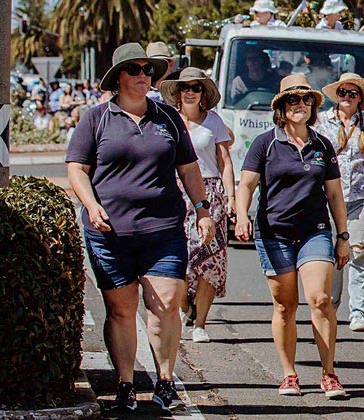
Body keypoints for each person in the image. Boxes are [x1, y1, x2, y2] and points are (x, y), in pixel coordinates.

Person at [65, 43, 213, 411]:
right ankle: (126, 385)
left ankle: (165, 381)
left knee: (164, 303)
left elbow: (189, 168)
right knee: (121, 310)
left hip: (163, 229)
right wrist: (91, 204)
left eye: (148, 70)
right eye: (135, 69)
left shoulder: (168, 118)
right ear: (118, 77)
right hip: (110, 233)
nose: (143, 76)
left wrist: (202, 208)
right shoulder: (96, 119)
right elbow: (76, 169)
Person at [233, 74, 352, 399]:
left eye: (306, 99)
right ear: (281, 108)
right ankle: (289, 375)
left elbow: (335, 195)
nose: (300, 104)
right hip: (274, 234)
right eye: (293, 100)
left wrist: (343, 235)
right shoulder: (265, 143)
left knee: (321, 300)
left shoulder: (322, 145)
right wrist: (241, 215)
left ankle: (328, 374)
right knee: (285, 306)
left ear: (313, 106)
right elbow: (246, 184)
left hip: (314, 232)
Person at [159, 67, 235, 344]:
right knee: (178, 259)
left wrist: (231, 197)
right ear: (177, 93)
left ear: (203, 92)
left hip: (211, 192)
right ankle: (184, 307)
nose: (190, 92)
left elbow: (225, 161)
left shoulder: (213, 122)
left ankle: (200, 323)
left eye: (196, 87)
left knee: (210, 261)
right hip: (175, 193)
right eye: (185, 87)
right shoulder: (167, 120)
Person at [314, 73, 364, 332]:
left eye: (353, 93)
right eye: (343, 92)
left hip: (362, 198)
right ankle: (328, 307)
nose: (347, 98)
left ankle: (359, 313)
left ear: (360, 98)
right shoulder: (321, 123)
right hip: (329, 198)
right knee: (331, 255)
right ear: (336, 95)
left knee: (359, 253)